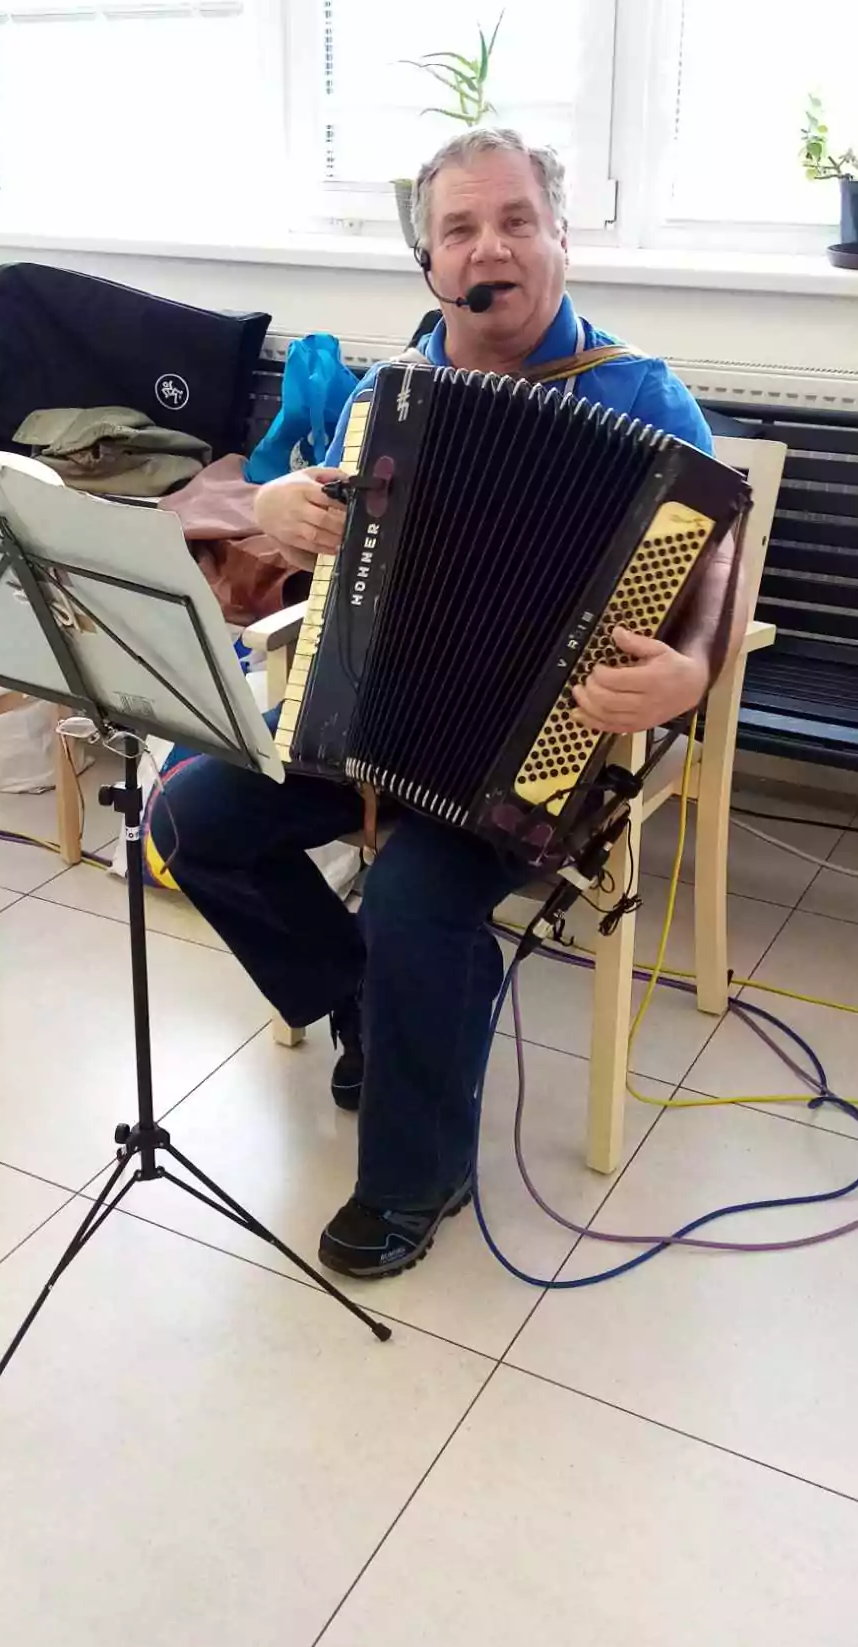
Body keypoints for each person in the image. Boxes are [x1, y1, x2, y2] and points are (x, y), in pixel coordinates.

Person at [153, 128, 732, 1279]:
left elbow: (717, 553)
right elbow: (312, 521)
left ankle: (416, 1173)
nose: (491, 247)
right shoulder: (392, 391)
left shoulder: (639, 390)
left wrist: (695, 667)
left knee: (415, 892)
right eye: (460, 229)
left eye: (517, 220)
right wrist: (272, 507)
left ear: (561, 240)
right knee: (188, 816)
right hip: (368, 712)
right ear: (429, 263)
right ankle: (364, 1000)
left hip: (546, 746)